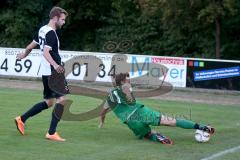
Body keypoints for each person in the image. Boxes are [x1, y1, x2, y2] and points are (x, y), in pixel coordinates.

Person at [99, 73, 215, 144]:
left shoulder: (110, 97)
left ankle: (157, 137)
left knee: (146, 134)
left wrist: (102, 122)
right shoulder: (127, 87)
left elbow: (103, 111)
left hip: (131, 120)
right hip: (141, 111)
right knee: (171, 121)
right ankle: (202, 127)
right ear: (123, 81)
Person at [14, 6, 68, 142]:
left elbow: (32, 45)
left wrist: (23, 54)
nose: (64, 22)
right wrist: (56, 66)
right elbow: (45, 52)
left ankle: (22, 119)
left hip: (45, 72)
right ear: (55, 18)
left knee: (49, 102)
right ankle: (51, 132)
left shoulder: (43, 30)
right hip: (53, 72)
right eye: (62, 19)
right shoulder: (50, 33)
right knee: (62, 100)